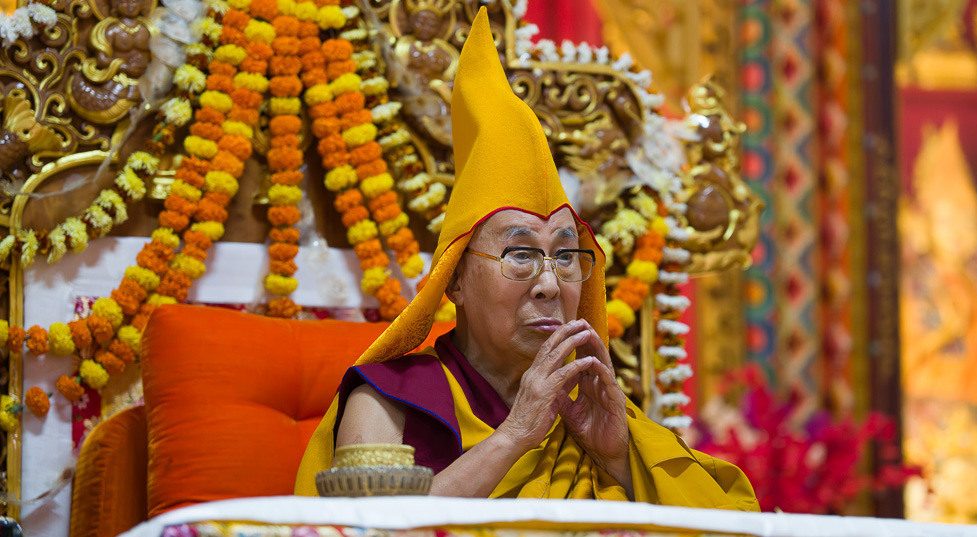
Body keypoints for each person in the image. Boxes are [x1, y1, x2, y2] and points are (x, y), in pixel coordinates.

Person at [295, 7, 757, 509]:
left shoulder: (595, 411)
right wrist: (515, 436)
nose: (550, 285)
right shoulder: (390, 398)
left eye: (565, 257)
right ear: (455, 282)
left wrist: (618, 460)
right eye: (520, 254)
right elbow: (361, 526)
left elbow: (726, 520)